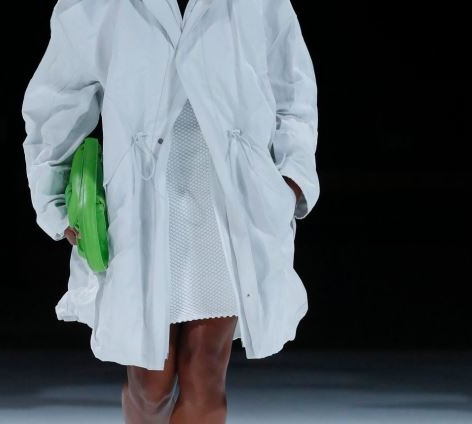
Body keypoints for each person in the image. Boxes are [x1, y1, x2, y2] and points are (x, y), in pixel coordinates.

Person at [22, 0, 318, 422]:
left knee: (205, 370)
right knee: (151, 386)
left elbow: (292, 79)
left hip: (226, 196)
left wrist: (291, 176)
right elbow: (58, 95)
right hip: (142, 198)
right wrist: (56, 199)